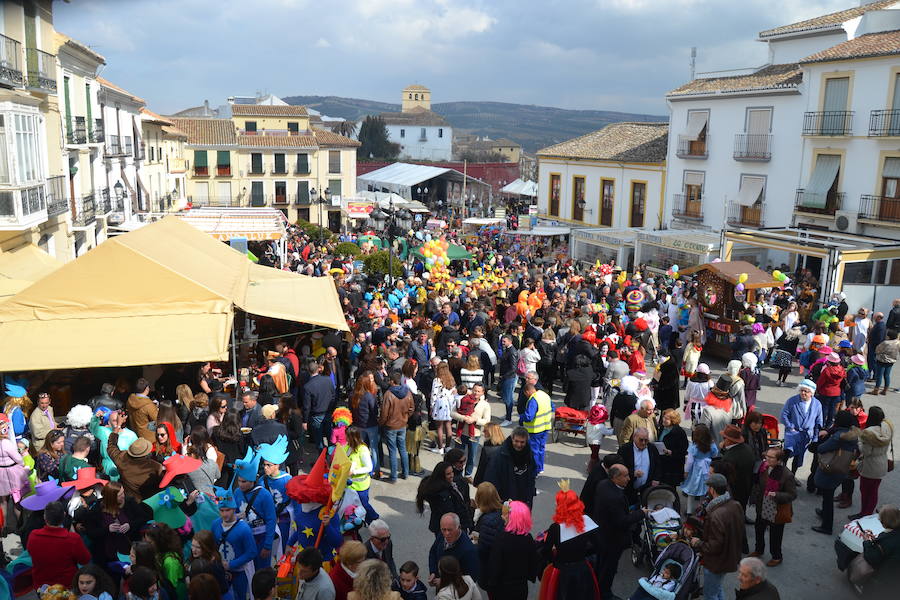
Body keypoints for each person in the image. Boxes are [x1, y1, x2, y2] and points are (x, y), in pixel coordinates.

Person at [591, 464, 645, 599]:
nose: (629, 478)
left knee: (602, 566)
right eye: (625, 476)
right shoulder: (615, 497)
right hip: (612, 540)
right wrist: (641, 513)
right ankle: (604, 594)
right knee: (608, 569)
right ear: (615, 477)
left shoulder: (603, 484)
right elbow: (622, 521)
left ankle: (598, 589)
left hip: (601, 534)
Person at [689, 473, 744, 600]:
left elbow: (714, 546)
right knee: (717, 588)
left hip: (716, 563)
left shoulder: (715, 514)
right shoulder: (735, 504)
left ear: (712, 489)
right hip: (729, 557)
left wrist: (698, 543)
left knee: (710, 594)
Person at [812, 410, 860, 535]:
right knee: (829, 493)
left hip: (832, 468)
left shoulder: (839, 437)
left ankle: (827, 526)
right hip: (843, 468)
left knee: (827, 497)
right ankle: (824, 513)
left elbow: (822, 448)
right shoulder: (852, 434)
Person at [27, 501, 91, 588]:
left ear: (45, 517)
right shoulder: (73, 539)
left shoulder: (33, 535)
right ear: (64, 516)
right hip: (67, 586)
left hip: (42, 586)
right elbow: (85, 560)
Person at [750, 447, 796, 568]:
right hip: (762, 506)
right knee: (759, 529)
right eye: (766, 456)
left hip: (776, 509)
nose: (767, 459)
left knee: (775, 535)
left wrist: (777, 495)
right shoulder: (764, 467)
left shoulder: (787, 475)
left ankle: (776, 556)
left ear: (779, 460)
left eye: (771, 457)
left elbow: (792, 495)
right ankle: (759, 550)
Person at [212, 486, 258, 600]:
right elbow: (212, 545)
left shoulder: (244, 528)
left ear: (233, 509)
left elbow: (252, 552)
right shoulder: (215, 524)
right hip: (221, 572)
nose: (224, 514)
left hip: (240, 572)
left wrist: (231, 564)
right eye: (222, 511)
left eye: (227, 510)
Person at [106, 411, 164, 500]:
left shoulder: (121, 458)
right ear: (146, 453)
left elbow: (111, 446)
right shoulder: (156, 467)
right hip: (150, 502)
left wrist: (118, 426)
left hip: (130, 501)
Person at [853, 406, 894, 518]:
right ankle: (868, 513)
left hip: (870, 466)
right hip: (882, 463)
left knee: (865, 491)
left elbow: (866, 452)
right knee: (873, 491)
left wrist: (859, 442)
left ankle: (863, 513)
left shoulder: (869, 433)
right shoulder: (887, 427)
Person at [483, 426, 537, 506]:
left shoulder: (529, 454)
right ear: (512, 439)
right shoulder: (499, 455)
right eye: (516, 441)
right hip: (505, 501)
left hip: (523, 501)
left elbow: (531, 476)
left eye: (522, 442)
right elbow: (492, 479)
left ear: (526, 441)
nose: (519, 445)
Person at [416, 462, 471, 538]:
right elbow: (452, 513)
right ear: (441, 476)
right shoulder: (443, 495)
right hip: (449, 528)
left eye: (452, 472)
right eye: (448, 474)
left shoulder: (441, 488)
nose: (452, 475)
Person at [781, 380, 823, 473]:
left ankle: (792, 476)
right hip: (792, 433)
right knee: (786, 454)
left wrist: (815, 438)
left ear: (812, 393)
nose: (803, 393)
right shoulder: (792, 401)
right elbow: (784, 414)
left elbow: (818, 422)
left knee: (798, 457)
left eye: (806, 391)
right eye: (801, 390)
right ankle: (782, 475)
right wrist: (790, 426)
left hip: (806, 435)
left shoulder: (817, 404)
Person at [860, 504, 900, 600]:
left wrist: (866, 541)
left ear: (885, 522)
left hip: (885, 580)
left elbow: (871, 557)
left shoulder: (887, 539)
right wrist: (876, 541)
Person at [428, 513, 479, 586]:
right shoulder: (441, 535)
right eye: (443, 529)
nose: (446, 534)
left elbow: (470, 580)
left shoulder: (469, 550)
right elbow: (433, 552)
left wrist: (445, 582)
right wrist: (433, 572)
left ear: (459, 527)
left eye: (450, 530)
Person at [380, 372, 414, 482]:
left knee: (392, 451)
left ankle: (393, 476)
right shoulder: (407, 392)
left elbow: (384, 413)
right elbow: (411, 408)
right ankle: (405, 473)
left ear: (392, 381)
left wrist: (382, 423)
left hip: (391, 426)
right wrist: (405, 417)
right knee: (403, 449)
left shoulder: (388, 394)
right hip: (402, 424)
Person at [451, 383, 490, 478]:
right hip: (461, 433)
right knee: (458, 456)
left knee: (471, 457)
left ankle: (467, 475)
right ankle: (457, 475)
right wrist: (463, 418)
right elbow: (452, 413)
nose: (476, 393)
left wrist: (475, 420)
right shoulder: (463, 399)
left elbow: (487, 420)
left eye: (478, 391)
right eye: (474, 390)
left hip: (475, 435)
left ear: (482, 392)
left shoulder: (485, 405)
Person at [471, 482, 504, 590]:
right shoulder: (502, 511)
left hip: (490, 566)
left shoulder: (487, 520)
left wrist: (474, 542)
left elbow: (484, 548)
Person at [346, 425, 380, 523]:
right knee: (353, 504)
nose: (345, 438)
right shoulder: (348, 447)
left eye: (347, 436)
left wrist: (354, 471)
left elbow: (369, 467)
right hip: (350, 484)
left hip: (361, 485)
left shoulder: (363, 450)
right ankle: (362, 520)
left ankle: (374, 520)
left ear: (353, 437)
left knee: (364, 504)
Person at [618, 427, 661, 505]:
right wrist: (632, 473)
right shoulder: (625, 449)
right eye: (641, 440)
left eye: (646, 440)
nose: (644, 443)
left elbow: (658, 465)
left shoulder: (652, 448)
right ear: (634, 437)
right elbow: (619, 468)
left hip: (647, 488)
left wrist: (656, 478)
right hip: (629, 488)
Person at [351, 372, 381, 479]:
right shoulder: (369, 396)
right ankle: (376, 470)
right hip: (371, 425)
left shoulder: (353, 395)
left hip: (359, 425)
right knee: (374, 448)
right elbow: (374, 411)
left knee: (361, 447)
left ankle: (362, 466)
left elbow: (352, 410)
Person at [303, 359, 336, 450]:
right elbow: (333, 396)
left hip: (316, 415)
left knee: (319, 439)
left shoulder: (307, 386)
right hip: (328, 413)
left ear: (309, 371)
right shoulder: (328, 380)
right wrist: (332, 409)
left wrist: (305, 421)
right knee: (330, 437)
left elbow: (307, 406)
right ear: (318, 369)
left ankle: (322, 459)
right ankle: (332, 457)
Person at [521, 382, 552, 473]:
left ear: (527, 391)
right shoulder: (544, 395)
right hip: (545, 427)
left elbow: (529, 417)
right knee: (541, 449)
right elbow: (552, 407)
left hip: (535, 430)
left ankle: (535, 470)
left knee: (534, 451)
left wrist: (522, 417)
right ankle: (540, 467)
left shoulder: (533, 400)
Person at [430, 362, 457, 454]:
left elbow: (434, 394)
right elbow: (454, 393)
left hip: (439, 403)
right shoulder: (451, 379)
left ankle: (440, 448)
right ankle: (448, 446)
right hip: (449, 403)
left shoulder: (437, 380)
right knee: (448, 425)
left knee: (439, 427)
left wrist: (431, 406)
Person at [657, 408, 688, 486]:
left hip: (673, 467)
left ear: (673, 420)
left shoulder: (679, 432)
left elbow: (683, 449)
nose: (663, 420)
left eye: (666, 419)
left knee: (670, 488)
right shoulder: (662, 428)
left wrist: (671, 452)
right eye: (663, 417)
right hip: (662, 462)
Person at [816, 353, 846, 428]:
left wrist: (818, 389)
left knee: (824, 409)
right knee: (832, 409)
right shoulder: (842, 370)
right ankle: (829, 424)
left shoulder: (827, 370)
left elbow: (821, 382)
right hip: (837, 392)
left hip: (826, 392)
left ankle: (821, 424)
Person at [127, 379, 158, 443]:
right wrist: (156, 409)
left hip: (135, 435)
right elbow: (157, 419)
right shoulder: (148, 405)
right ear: (147, 388)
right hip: (149, 438)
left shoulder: (130, 401)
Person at [497, 335, 519, 427]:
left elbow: (513, 368)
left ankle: (508, 419)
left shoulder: (512, 351)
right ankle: (507, 415)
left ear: (510, 341)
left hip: (509, 378)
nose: (502, 343)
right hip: (507, 377)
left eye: (504, 341)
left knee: (508, 399)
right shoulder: (508, 350)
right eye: (502, 341)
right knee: (507, 398)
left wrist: (504, 376)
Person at [872, 329, 900, 395]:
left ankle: (876, 390)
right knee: (887, 375)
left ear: (889, 336)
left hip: (882, 360)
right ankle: (885, 390)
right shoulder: (898, 342)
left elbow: (877, 350)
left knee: (879, 376)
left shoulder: (885, 343)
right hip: (891, 361)